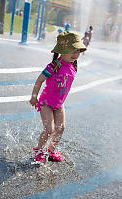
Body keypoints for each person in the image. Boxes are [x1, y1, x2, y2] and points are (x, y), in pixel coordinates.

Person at [29, 31, 86, 163]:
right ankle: (39, 150)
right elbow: (39, 80)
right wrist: (34, 96)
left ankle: (51, 150)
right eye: (73, 50)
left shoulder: (73, 66)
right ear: (63, 50)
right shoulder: (54, 66)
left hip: (59, 104)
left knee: (61, 128)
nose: (76, 54)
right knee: (49, 129)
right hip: (46, 103)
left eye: (78, 51)